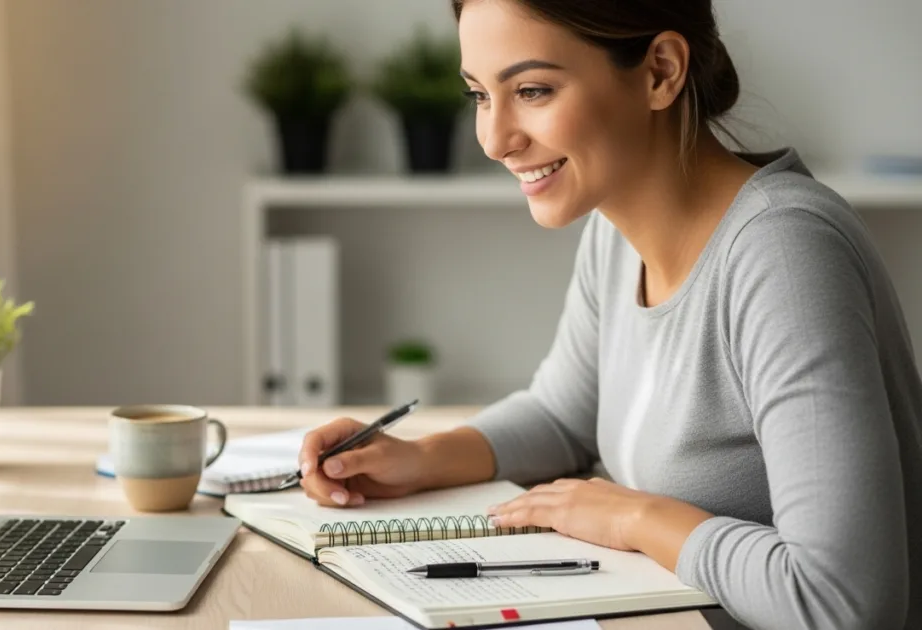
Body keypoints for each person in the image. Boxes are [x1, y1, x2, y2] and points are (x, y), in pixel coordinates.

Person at [297, 1, 922, 629]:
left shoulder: (783, 255)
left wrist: (635, 517)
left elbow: (844, 605)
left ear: (660, 71)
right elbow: (565, 414)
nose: (494, 139)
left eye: (533, 90)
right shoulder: (616, 226)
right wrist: (420, 458)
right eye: (479, 95)